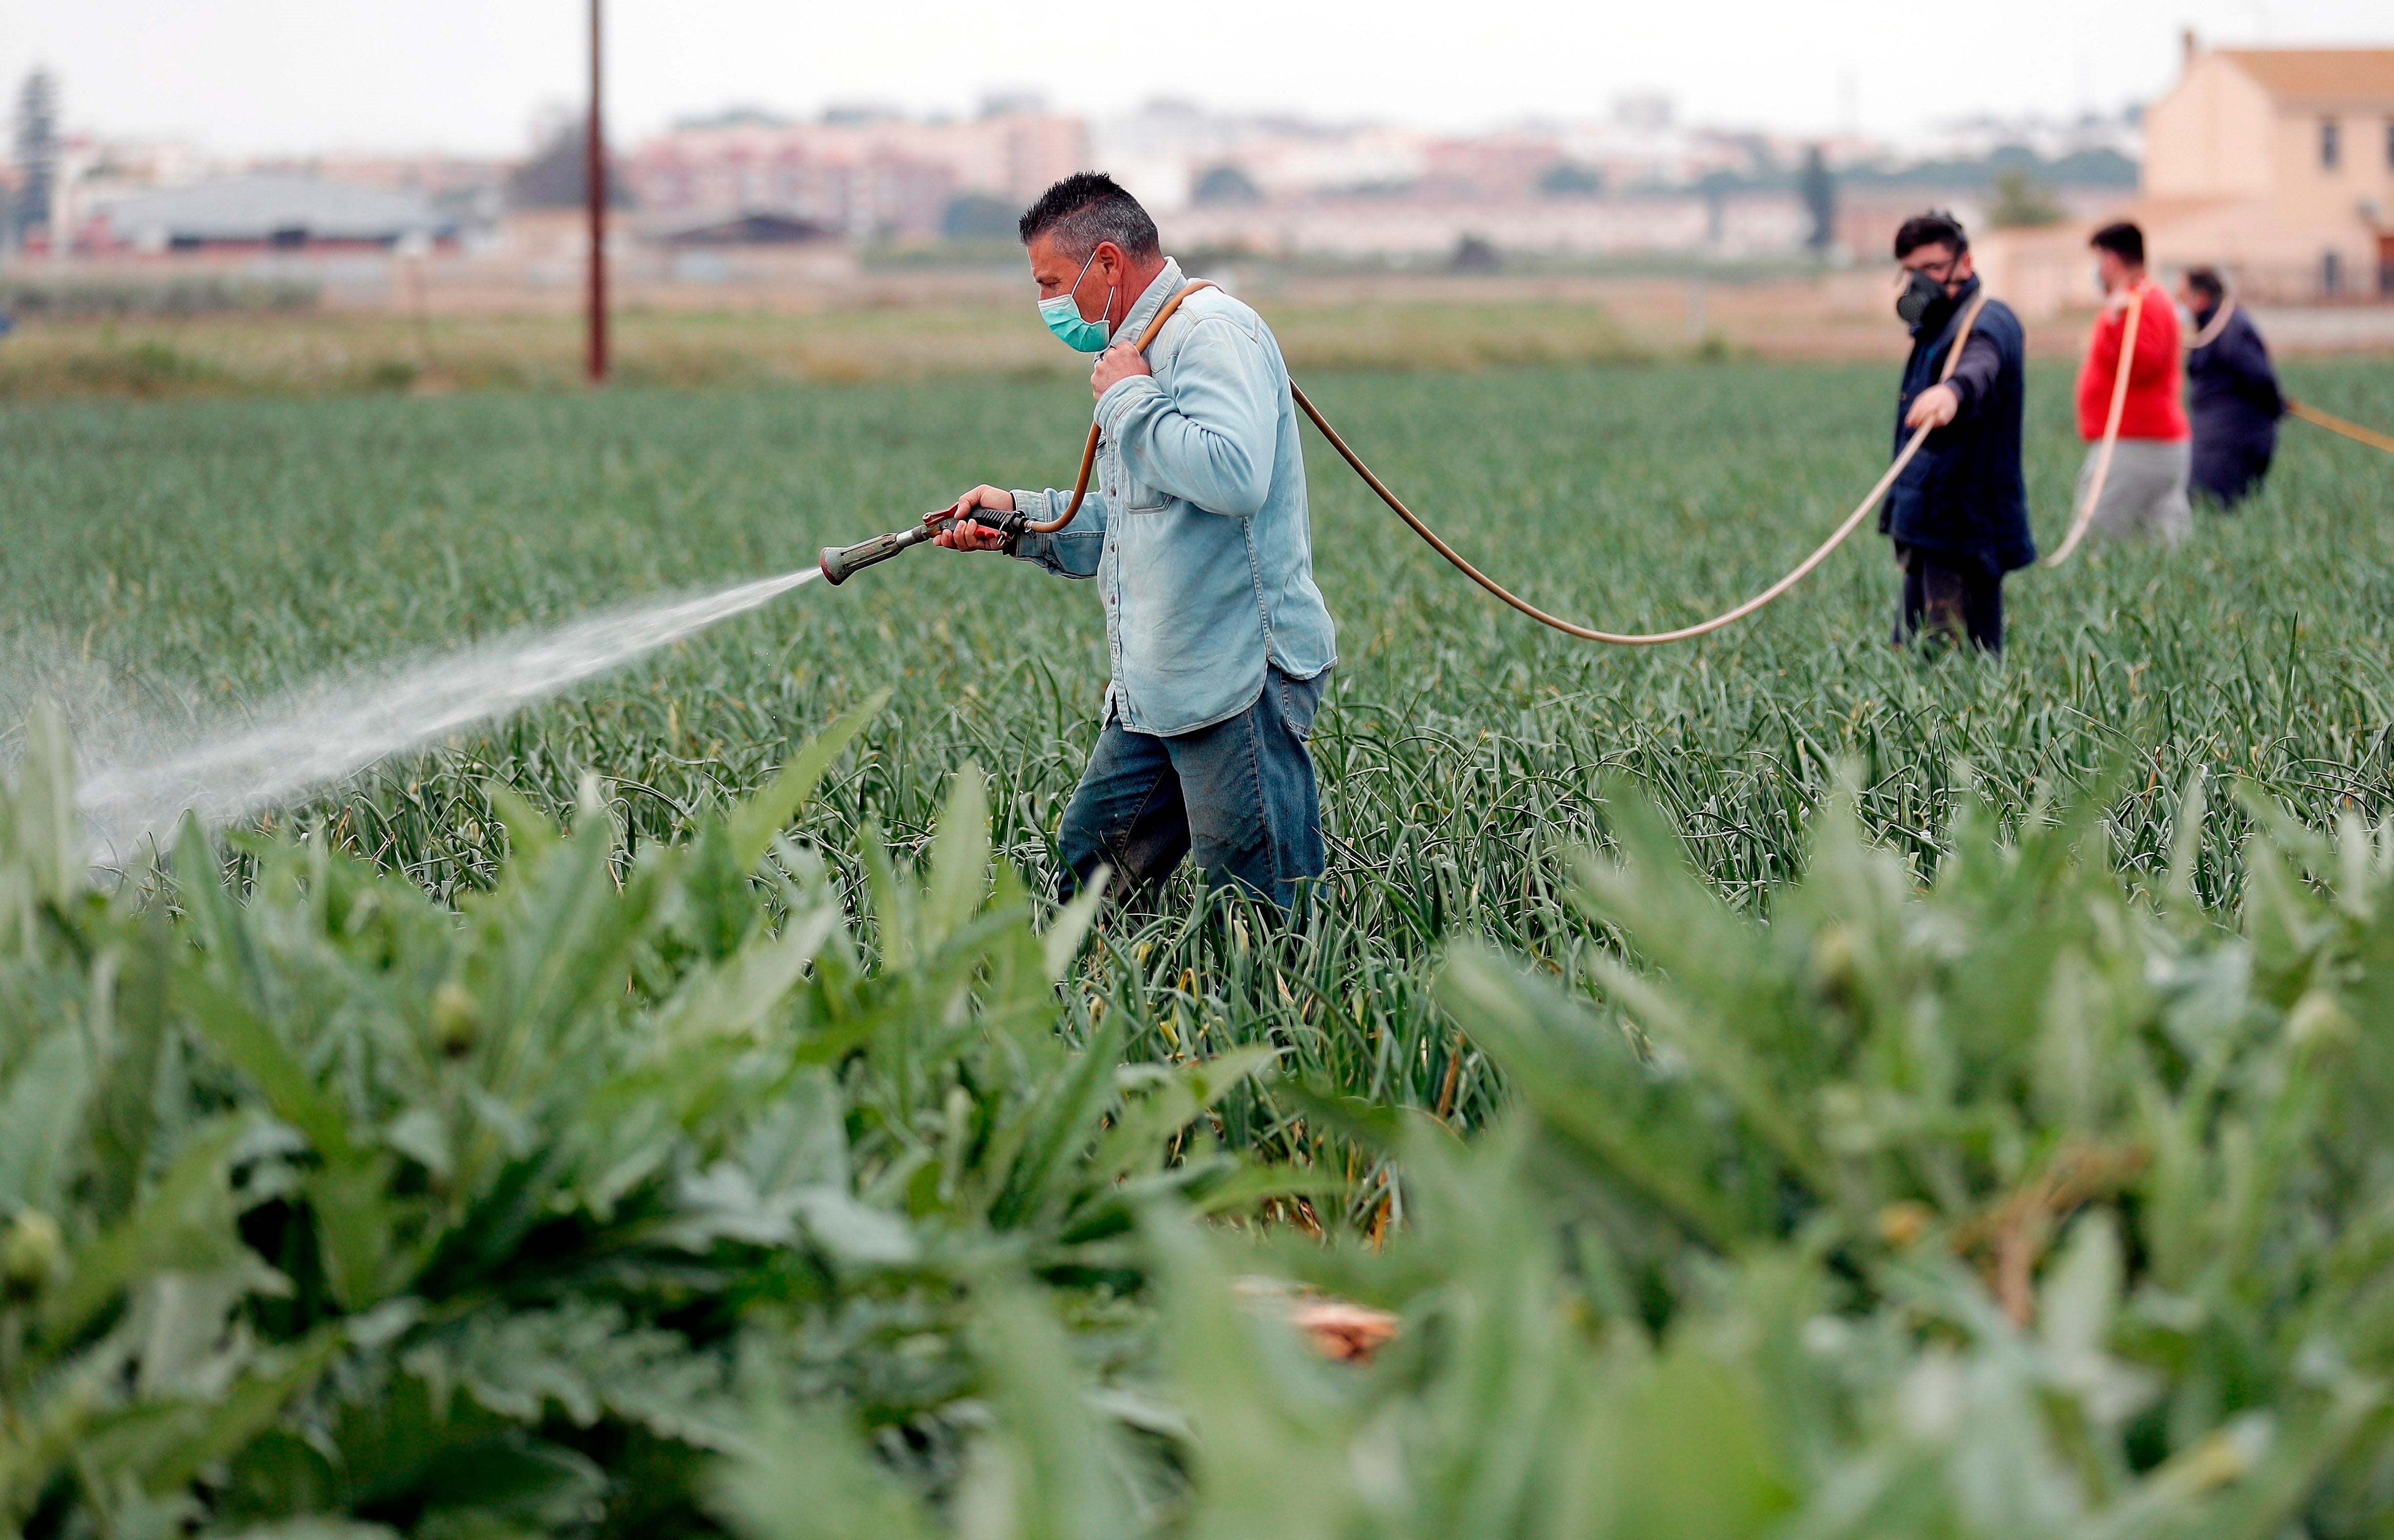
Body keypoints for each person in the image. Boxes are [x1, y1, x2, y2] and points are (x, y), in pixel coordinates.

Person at [934, 172, 1336, 913]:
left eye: (1053, 283)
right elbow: (1135, 520)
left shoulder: (1210, 334)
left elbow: (1235, 476)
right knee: (1090, 869)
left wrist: (1128, 398)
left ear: (1109, 264)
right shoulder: (1140, 349)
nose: (1048, 305)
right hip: (1161, 685)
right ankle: (1099, 1014)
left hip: (1236, 676)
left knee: (1260, 907)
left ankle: (1291, 1022)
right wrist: (1016, 519)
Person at [1876, 210, 2034, 653]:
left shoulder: (1989, 320)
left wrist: (1952, 393)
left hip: (1966, 528)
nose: (1918, 282)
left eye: (1931, 269)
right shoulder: (1933, 324)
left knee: (1959, 668)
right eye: (1910, 272)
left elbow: (1980, 365)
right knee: (1913, 653)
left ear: (1964, 264)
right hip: (1925, 519)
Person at [2075, 221, 2191, 544]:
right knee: (2162, 546)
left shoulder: (2139, 302)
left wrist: (2114, 322)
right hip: (2153, 442)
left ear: (2110, 261)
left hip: (2134, 444)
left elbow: (2142, 364)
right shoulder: (2150, 298)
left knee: (2096, 543)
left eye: (2099, 260)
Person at [2178, 266, 2284, 508]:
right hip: (2217, 442)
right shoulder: (2214, 324)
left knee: (2214, 510)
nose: (2179, 305)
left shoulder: (2228, 327)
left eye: (2182, 297)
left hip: (2231, 445)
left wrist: (2276, 405)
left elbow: (2258, 377)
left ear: (2202, 296)